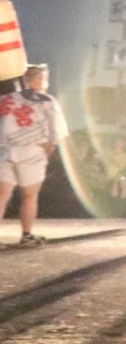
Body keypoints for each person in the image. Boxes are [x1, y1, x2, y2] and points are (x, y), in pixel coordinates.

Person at [1, 64, 67, 247]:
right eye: (45, 78)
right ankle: (26, 235)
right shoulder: (46, 101)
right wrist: (49, 149)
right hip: (32, 151)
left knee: (1, 195)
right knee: (29, 196)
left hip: (5, 151)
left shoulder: (5, 99)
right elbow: (55, 133)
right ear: (38, 79)